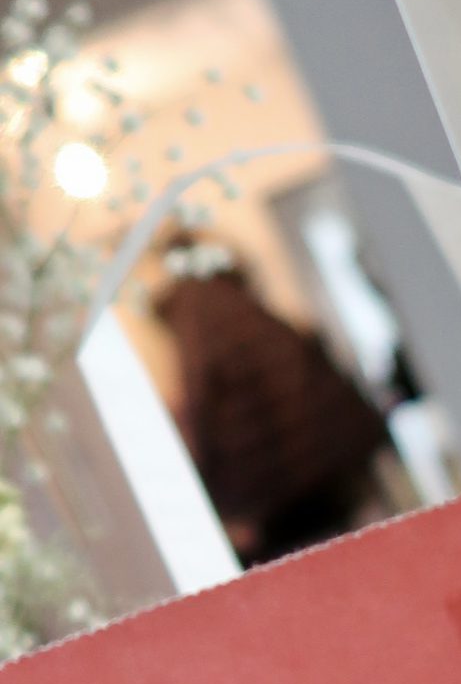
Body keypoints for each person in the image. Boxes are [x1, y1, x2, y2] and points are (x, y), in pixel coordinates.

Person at [153, 237, 392, 567]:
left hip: (275, 498)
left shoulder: (193, 317)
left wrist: (222, 502)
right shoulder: (243, 303)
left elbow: (201, 409)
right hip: (327, 470)